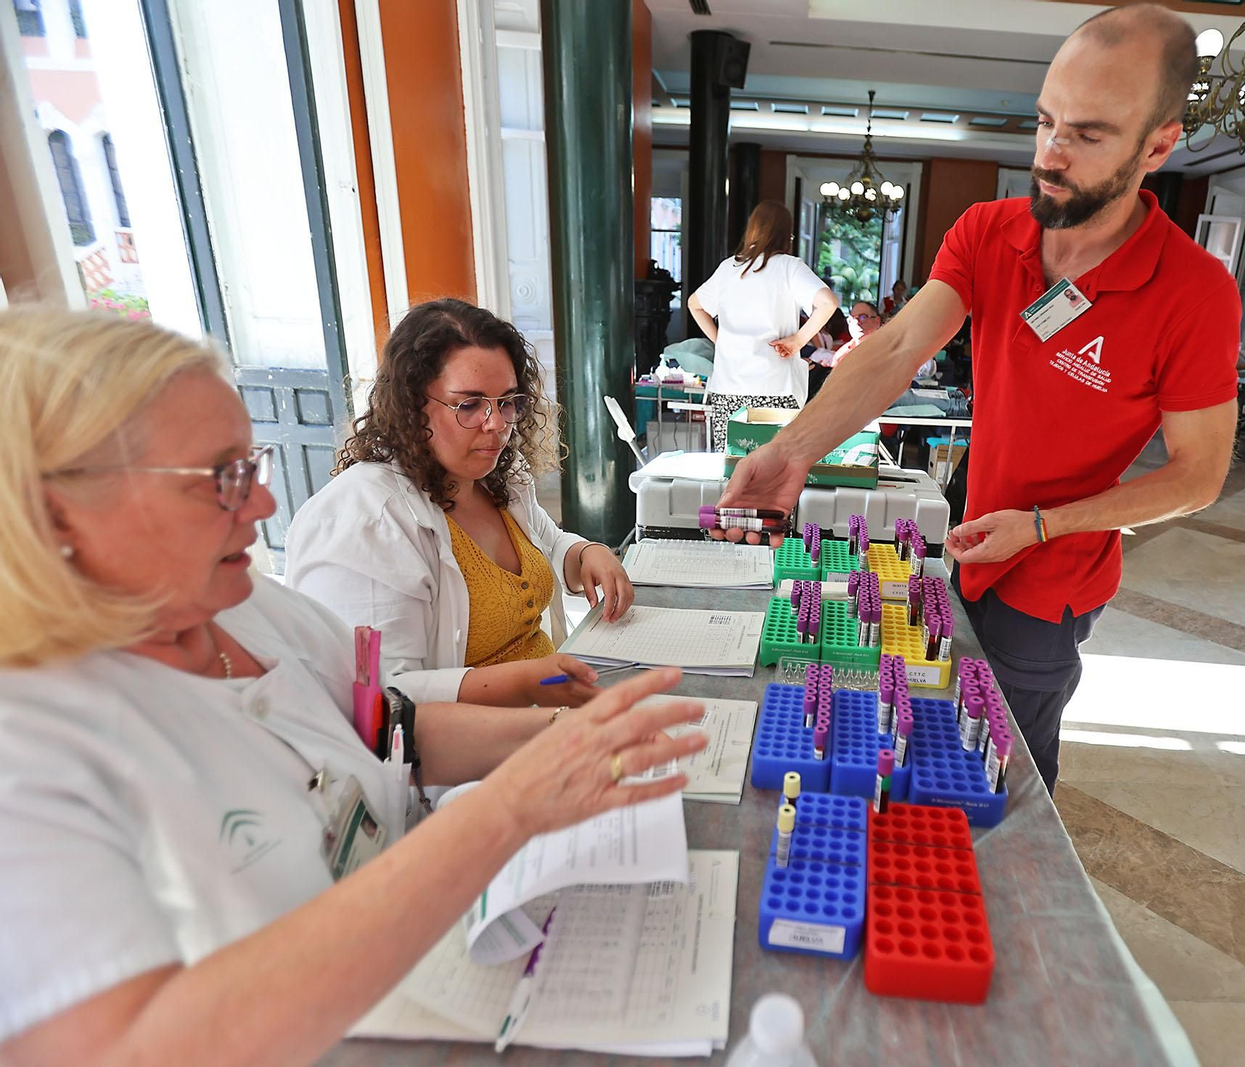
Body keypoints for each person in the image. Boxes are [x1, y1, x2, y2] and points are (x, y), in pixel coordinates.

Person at [0, 307, 707, 1063]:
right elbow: (125, 1044)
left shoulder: (248, 607)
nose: (266, 505)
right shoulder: (31, 749)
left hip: (422, 972)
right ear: (58, 508)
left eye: (253, 464)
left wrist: (568, 743)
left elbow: (389, 721)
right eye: (220, 477)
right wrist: (506, 810)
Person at [715, 4, 1240, 793]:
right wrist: (792, 451)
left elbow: (1198, 477)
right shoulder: (990, 232)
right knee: (941, 725)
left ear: (1158, 144)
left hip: (1053, 571)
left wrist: (1040, 526)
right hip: (973, 541)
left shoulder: (1195, 291)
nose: (1051, 156)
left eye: (1088, 134)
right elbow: (893, 347)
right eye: (1044, 122)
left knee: (1005, 761)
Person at [285, 299, 632, 710]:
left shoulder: (494, 475)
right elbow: (383, 699)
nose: (497, 423)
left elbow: (546, 541)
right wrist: (527, 683)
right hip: (468, 755)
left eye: (507, 401)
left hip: (550, 709)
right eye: (469, 405)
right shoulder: (365, 522)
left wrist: (586, 553)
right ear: (412, 406)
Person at [687, 200, 840, 450]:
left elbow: (695, 304)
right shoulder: (789, 267)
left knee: (731, 470)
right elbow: (828, 302)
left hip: (729, 388)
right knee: (775, 472)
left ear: (752, 230)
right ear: (786, 235)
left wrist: (721, 341)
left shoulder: (729, 268)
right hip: (776, 388)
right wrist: (798, 341)